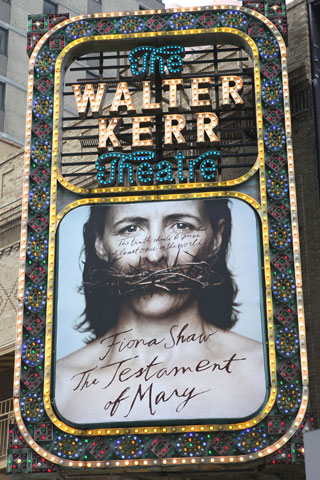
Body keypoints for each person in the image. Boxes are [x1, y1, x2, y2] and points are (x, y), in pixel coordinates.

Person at [55, 199, 267, 424]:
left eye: (181, 226)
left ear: (216, 238)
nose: (155, 255)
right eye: (131, 229)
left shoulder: (261, 372)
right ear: (99, 242)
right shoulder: (60, 387)